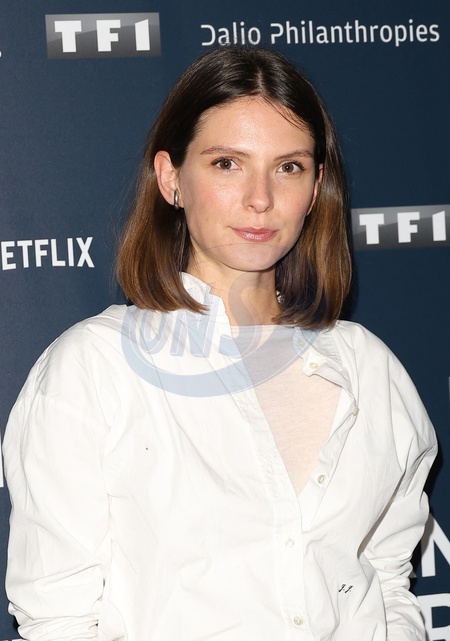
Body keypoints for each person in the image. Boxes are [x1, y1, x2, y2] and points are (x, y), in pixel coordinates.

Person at [3, 46, 436, 641]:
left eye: (289, 167)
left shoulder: (370, 367)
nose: (260, 198)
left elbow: (385, 579)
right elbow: (60, 619)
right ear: (171, 179)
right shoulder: (93, 370)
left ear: (315, 189)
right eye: (228, 163)